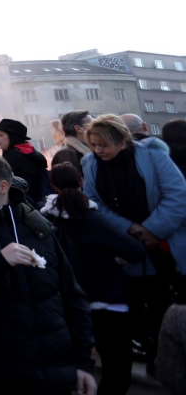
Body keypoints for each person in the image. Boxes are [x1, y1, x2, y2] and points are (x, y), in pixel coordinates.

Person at [0, 153, 96, 395]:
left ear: (3, 186)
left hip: (56, 370)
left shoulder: (37, 225)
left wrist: (84, 362)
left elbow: (72, 295)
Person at [81, 114, 186, 370]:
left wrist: (152, 229)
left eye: (103, 144)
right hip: (124, 246)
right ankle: (150, 351)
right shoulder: (91, 164)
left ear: (122, 141)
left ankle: (169, 360)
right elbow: (94, 203)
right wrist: (129, 228)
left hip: (164, 245)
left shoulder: (153, 155)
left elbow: (178, 194)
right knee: (135, 304)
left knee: (167, 303)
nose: (98, 150)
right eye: (93, 144)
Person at [41, 163, 145, 395]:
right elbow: (136, 251)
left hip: (65, 305)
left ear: (52, 185)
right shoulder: (92, 217)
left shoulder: (44, 221)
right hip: (108, 301)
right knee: (117, 369)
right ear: (81, 182)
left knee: (76, 369)